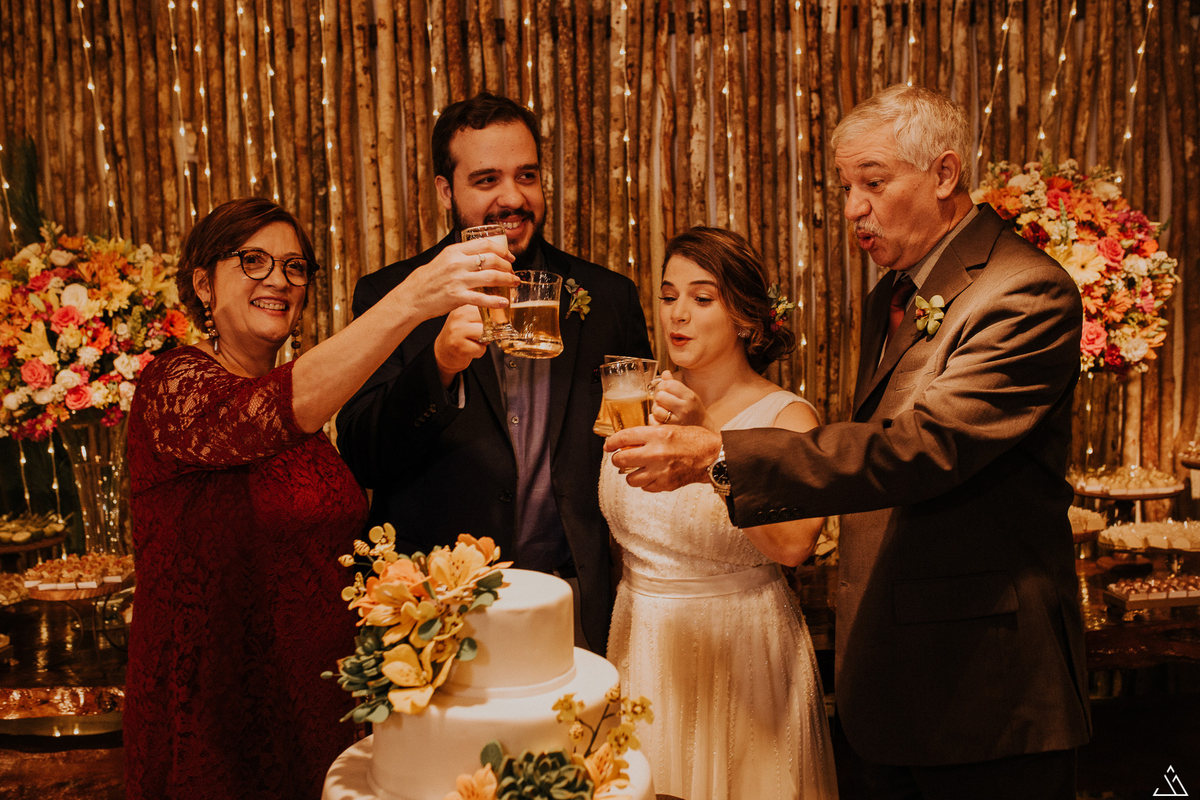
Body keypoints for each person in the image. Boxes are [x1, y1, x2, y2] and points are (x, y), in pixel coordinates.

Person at [605, 84, 1090, 799]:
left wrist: (720, 451)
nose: (852, 208)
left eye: (873, 182)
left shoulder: (1024, 292)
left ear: (945, 175)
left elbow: (923, 447)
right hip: (902, 677)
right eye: (845, 187)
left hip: (985, 686)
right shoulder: (893, 293)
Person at [125, 197, 517, 800]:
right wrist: (412, 299)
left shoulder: (302, 413)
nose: (278, 279)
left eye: (294, 266)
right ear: (203, 283)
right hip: (219, 714)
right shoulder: (173, 385)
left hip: (320, 701)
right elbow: (275, 408)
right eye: (253, 261)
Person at [336, 93, 652, 653]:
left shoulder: (607, 298)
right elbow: (363, 456)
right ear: (445, 190)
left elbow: (635, 451)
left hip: (572, 603)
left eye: (526, 175)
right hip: (434, 609)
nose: (513, 197)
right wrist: (438, 366)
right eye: (486, 180)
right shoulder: (390, 294)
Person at [600, 227, 838, 799]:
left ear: (747, 319)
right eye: (668, 295)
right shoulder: (633, 398)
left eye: (702, 298)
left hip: (744, 652)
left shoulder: (788, 418)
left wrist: (711, 438)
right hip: (639, 641)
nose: (678, 314)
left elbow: (792, 546)